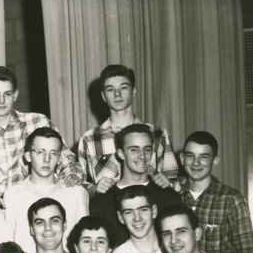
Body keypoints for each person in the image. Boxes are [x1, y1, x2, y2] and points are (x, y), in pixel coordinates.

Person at [0, 65, 83, 208]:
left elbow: (65, 158)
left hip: (40, 207)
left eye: (7, 94)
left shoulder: (38, 122)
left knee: (78, 193)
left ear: (15, 95)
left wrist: (71, 176)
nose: (1, 101)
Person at [178, 131, 253, 253]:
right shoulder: (173, 197)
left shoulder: (231, 200)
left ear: (215, 161)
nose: (196, 163)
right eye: (190, 156)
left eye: (204, 157)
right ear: (181, 159)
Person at [76, 64, 178, 194]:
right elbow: (79, 187)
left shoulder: (157, 133)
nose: (117, 94)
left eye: (123, 87)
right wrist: (95, 189)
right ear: (103, 96)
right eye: (110, 89)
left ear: (134, 91)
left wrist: (168, 183)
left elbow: (173, 178)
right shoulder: (89, 139)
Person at [88, 125, 180, 247]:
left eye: (147, 149)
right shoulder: (101, 202)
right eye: (134, 150)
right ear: (121, 153)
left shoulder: (169, 197)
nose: (142, 156)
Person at [4, 127, 89, 253]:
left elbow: (85, 240)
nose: (47, 159)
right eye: (40, 152)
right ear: (28, 156)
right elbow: (8, 242)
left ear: (60, 158)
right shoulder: (13, 195)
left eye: (53, 153)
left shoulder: (76, 193)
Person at [106, 185, 170, 253]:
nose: (137, 218)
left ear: (154, 211)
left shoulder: (174, 251)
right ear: (120, 217)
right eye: (129, 212)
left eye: (143, 210)